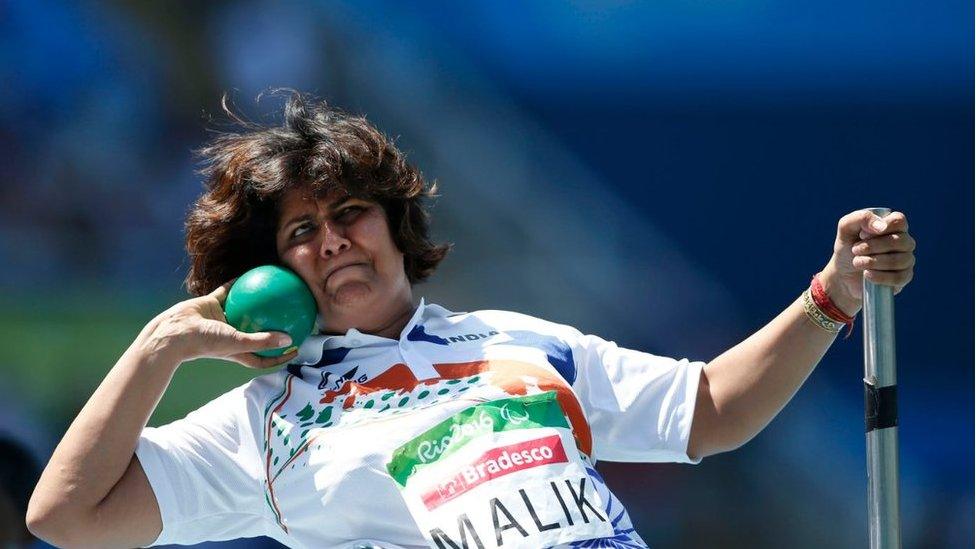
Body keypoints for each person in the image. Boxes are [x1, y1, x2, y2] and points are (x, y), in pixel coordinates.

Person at [26, 92, 916, 549]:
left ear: (394, 224)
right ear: (270, 270)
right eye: (302, 232)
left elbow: (712, 408)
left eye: (351, 213)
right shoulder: (262, 426)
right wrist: (160, 347)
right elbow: (63, 516)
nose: (334, 241)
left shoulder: (516, 339)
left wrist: (832, 290)